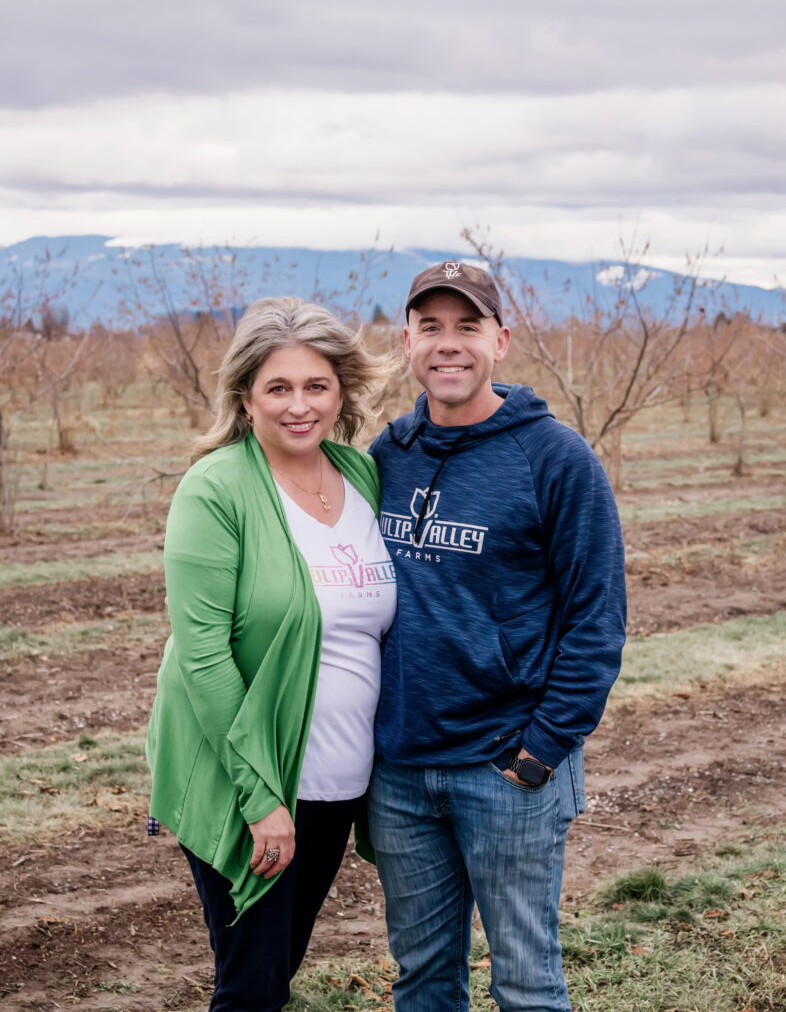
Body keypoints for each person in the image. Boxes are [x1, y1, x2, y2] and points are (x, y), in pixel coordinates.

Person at [367, 261, 627, 1012]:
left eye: (468, 327)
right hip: (401, 771)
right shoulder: (386, 457)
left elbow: (596, 620)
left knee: (526, 980)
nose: (450, 345)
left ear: (501, 340)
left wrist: (542, 750)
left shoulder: (556, 460)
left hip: (507, 770)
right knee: (421, 980)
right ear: (407, 341)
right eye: (432, 328)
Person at [146, 297, 397, 1012]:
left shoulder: (362, 477)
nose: (299, 405)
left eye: (316, 386)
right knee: (251, 985)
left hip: (336, 780)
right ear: (245, 397)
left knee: (277, 966)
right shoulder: (217, 488)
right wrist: (262, 802)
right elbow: (202, 656)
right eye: (277, 387)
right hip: (252, 783)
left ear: (341, 391)